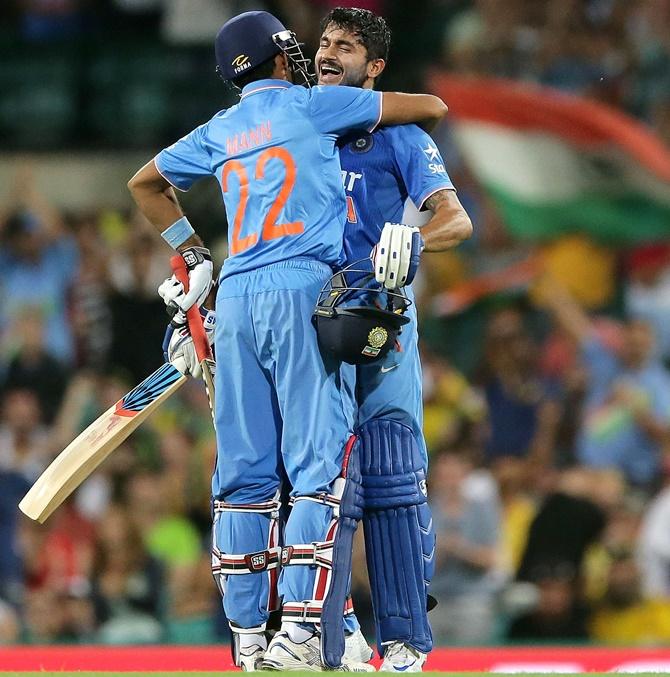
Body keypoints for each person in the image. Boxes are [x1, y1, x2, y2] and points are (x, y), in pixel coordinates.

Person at [127, 9, 448, 671]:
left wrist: (192, 255)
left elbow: (145, 184)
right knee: (317, 473)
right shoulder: (315, 105)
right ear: (279, 57)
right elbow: (432, 105)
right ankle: (302, 631)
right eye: (304, 46)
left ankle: (246, 640)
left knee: (242, 479)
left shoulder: (220, 128)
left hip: (235, 293)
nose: (316, 54)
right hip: (306, 289)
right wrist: (366, 102)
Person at [314, 7, 472, 671]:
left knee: (390, 472)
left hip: (379, 317)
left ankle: (405, 640)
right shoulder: (294, 127)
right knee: (319, 482)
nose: (328, 54)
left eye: (345, 47)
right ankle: (330, 630)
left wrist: (413, 239)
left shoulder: (402, 136)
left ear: (374, 68)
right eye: (324, 43)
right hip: (306, 317)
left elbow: (455, 220)